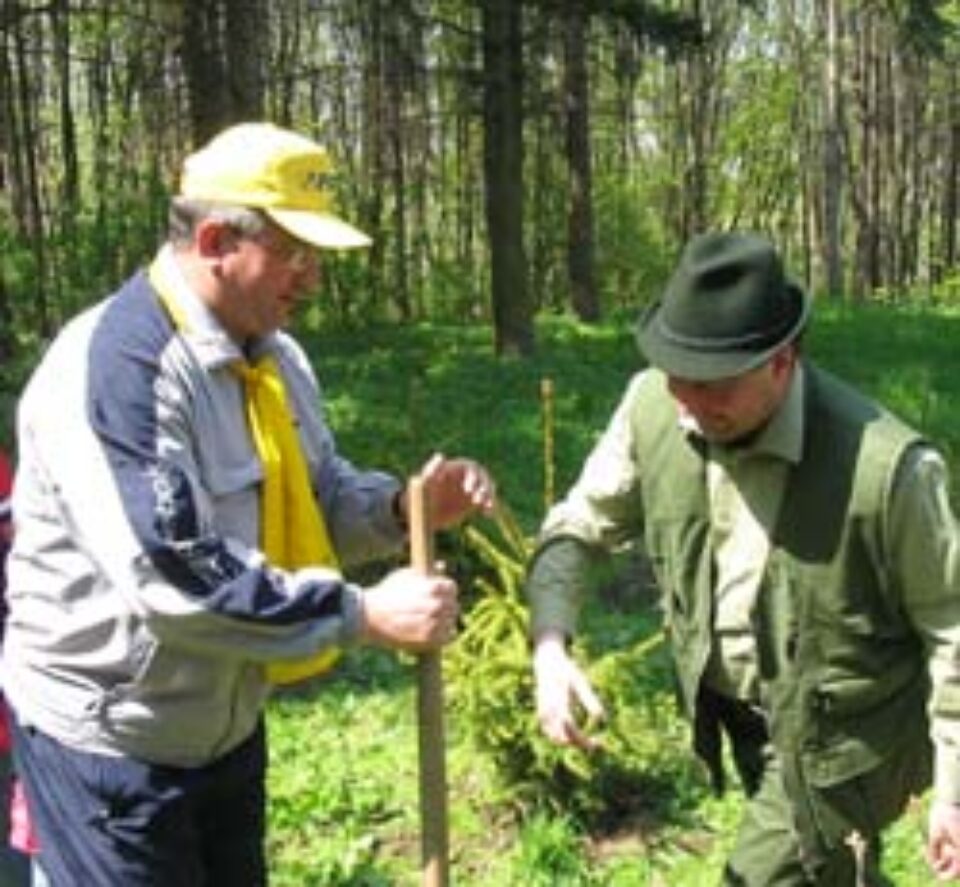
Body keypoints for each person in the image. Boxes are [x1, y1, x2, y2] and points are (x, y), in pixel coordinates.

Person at [2, 122, 495, 886]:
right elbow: (174, 577)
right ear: (214, 241)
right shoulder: (116, 371)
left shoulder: (273, 356)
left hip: (224, 728)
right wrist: (363, 615)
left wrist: (403, 509)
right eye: (292, 253)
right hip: (111, 750)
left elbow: (316, 494)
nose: (311, 277)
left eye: (317, 255)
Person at [526, 230, 960, 885]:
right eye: (679, 376)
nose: (692, 407)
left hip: (851, 738)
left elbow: (952, 628)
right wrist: (550, 646)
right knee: (827, 870)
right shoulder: (653, 407)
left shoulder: (889, 471)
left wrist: (954, 788)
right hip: (750, 717)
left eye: (714, 385)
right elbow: (579, 521)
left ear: (782, 362)